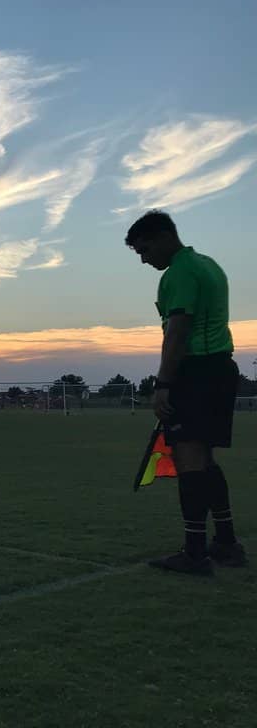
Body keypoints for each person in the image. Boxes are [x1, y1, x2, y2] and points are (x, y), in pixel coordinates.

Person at [126, 209, 246, 574]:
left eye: (145, 250)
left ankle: (195, 552)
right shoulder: (208, 265)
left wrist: (163, 384)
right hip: (220, 368)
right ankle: (226, 542)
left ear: (164, 237)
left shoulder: (179, 272)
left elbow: (177, 331)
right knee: (205, 459)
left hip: (196, 372)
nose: (144, 260)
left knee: (189, 457)